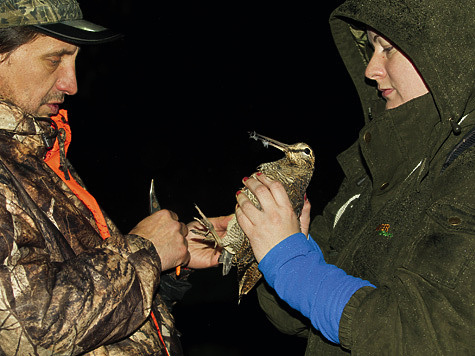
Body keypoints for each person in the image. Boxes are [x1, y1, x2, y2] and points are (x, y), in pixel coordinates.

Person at [235, 0, 475, 354]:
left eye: (388, 48)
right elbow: (291, 320)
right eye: (370, 47)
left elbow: (428, 336)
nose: (371, 69)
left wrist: (293, 265)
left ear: (445, 50)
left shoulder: (465, 170)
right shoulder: (372, 172)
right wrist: (277, 246)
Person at [0, 1, 230, 355]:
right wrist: (145, 252)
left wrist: (170, 262)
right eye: (54, 59)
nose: (71, 83)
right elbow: (29, 333)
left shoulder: (37, 150)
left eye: (74, 59)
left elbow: (70, 292)